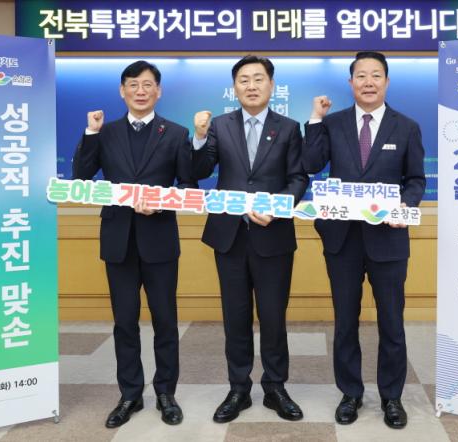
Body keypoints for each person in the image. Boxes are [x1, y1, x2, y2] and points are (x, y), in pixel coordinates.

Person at [302, 51, 426, 429]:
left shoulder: (406, 127)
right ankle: (350, 393)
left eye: (375, 75)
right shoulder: (333, 123)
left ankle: (392, 397)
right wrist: (315, 119)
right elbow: (311, 164)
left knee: (392, 322)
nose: (368, 82)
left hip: (388, 239)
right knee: (345, 321)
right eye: (361, 75)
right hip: (342, 239)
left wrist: (405, 206)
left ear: (386, 82)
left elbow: (415, 180)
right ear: (351, 82)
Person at [72, 60, 195, 428]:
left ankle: (166, 393)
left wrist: (161, 202)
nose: (140, 91)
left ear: (158, 91)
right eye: (133, 84)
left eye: (147, 84)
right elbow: (81, 177)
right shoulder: (105, 132)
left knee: (165, 321)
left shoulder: (176, 133)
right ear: (122, 91)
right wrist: (90, 133)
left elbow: (189, 188)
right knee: (124, 322)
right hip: (118, 241)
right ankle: (130, 394)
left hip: (160, 240)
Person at [192, 55, 309, 423]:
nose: (252, 85)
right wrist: (198, 137)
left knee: (273, 316)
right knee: (235, 316)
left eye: (259, 79)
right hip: (230, 235)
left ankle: (275, 387)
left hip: (273, 234)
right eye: (244, 80)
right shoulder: (219, 126)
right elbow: (199, 170)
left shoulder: (288, 127)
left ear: (271, 85)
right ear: (235, 87)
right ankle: (238, 388)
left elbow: (298, 178)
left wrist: (278, 207)